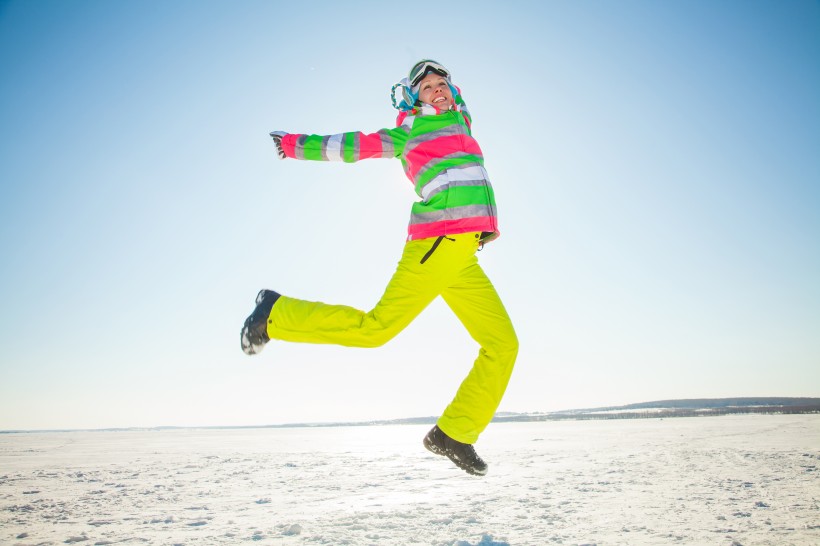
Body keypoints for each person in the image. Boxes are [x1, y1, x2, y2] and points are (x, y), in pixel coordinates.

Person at [241, 60, 518, 476]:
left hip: (464, 256)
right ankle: (275, 315)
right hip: (437, 244)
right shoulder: (412, 132)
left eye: (443, 84)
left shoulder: (463, 128)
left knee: (503, 344)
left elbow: (462, 114)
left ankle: (455, 433)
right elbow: (355, 145)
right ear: (413, 98)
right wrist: (297, 145)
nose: (437, 90)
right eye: (427, 87)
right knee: (376, 330)